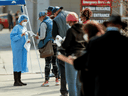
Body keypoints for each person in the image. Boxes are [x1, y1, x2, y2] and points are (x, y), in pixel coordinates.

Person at [73, 15, 128, 96]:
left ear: (108, 25)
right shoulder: (125, 42)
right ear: (120, 26)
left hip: (101, 84)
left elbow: (89, 64)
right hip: (121, 85)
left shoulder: (95, 42)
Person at [61, 12, 86, 96]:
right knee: (79, 82)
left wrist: (61, 42)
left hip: (72, 56)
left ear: (71, 22)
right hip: (82, 56)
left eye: (68, 22)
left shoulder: (70, 30)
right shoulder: (84, 29)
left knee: (71, 81)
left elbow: (65, 45)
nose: (68, 24)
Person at [35, 11, 59, 87]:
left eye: (39, 18)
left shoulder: (43, 24)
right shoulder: (52, 21)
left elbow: (42, 36)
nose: (40, 20)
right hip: (55, 43)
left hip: (48, 44)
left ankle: (46, 81)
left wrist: (36, 37)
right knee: (54, 62)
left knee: (48, 63)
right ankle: (57, 80)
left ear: (42, 17)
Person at [52, 6, 69, 96]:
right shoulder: (71, 15)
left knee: (63, 70)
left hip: (62, 48)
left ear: (56, 12)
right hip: (72, 48)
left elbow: (54, 34)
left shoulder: (56, 19)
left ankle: (64, 91)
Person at [10, 15, 30, 86]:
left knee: (21, 63)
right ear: (20, 20)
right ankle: (16, 81)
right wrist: (20, 35)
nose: (25, 22)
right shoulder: (16, 27)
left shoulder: (24, 28)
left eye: (26, 21)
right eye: (24, 20)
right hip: (17, 48)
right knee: (17, 63)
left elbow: (25, 37)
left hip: (23, 48)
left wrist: (27, 40)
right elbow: (12, 37)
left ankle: (19, 80)